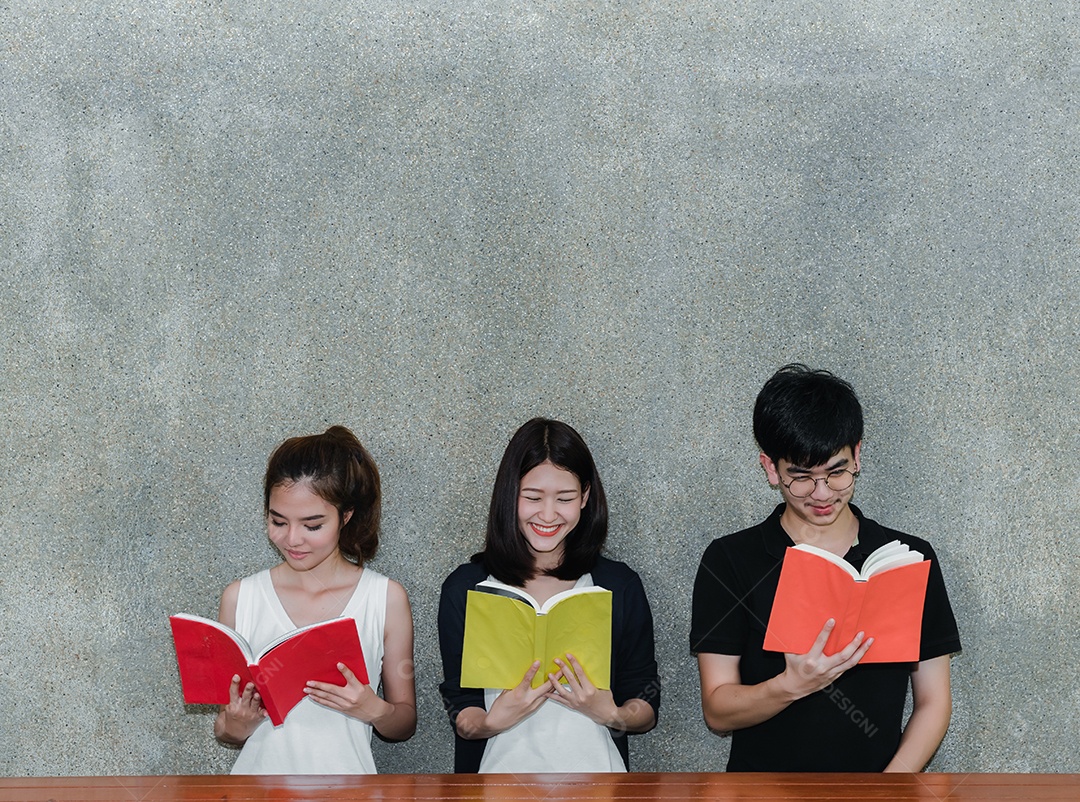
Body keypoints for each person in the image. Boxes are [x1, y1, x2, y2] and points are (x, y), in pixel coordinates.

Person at [690, 365, 961, 772]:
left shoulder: (907, 558)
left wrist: (889, 789)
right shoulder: (730, 559)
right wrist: (789, 686)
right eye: (800, 478)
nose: (821, 494)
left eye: (837, 473)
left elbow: (933, 701)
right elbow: (717, 709)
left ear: (857, 455)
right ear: (770, 468)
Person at [438, 418, 660, 773]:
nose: (547, 514)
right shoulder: (467, 588)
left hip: (600, 785)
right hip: (496, 786)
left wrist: (612, 713)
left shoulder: (618, 585)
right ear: (511, 495)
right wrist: (494, 722)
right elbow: (460, 707)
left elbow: (645, 704)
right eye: (532, 497)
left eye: (565, 498)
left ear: (585, 497)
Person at [214, 426, 416, 773]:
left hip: (350, 792)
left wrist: (374, 710)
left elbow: (405, 721)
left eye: (312, 525)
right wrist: (238, 723)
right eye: (278, 521)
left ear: (346, 517)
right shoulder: (240, 598)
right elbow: (226, 728)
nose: (293, 539)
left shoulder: (384, 598)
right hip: (255, 791)